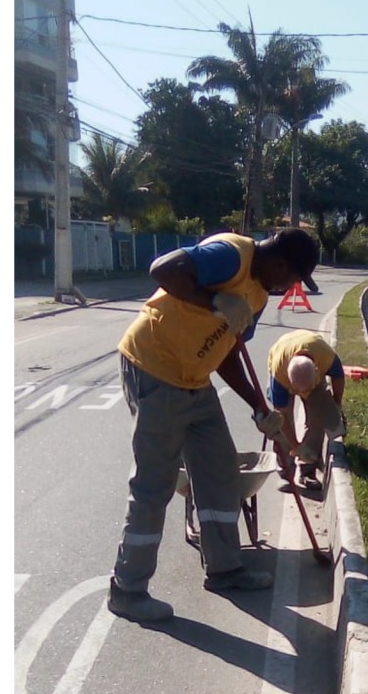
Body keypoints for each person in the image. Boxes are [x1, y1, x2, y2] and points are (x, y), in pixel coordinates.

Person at [107, 227, 319, 624]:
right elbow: (162, 270)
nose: (290, 288)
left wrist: (259, 407)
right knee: (154, 485)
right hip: (154, 367)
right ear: (281, 264)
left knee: (220, 471)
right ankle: (127, 589)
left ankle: (224, 569)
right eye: (292, 279)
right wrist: (215, 299)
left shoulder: (257, 295)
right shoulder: (231, 256)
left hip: (195, 379)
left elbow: (226, 352)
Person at [266, 328, 346, 489]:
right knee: (282, 429)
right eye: (297, 389)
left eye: (305, 390)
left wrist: (337, 403)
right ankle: (286, 472)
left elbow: (338, 376)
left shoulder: (325, 356)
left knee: (318, 420)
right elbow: (282, 417)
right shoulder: (279, 374)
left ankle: (307, 470)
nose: (301, 394)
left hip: (311, 370)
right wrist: (295, 445)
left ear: (317, 370)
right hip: (282, 359)